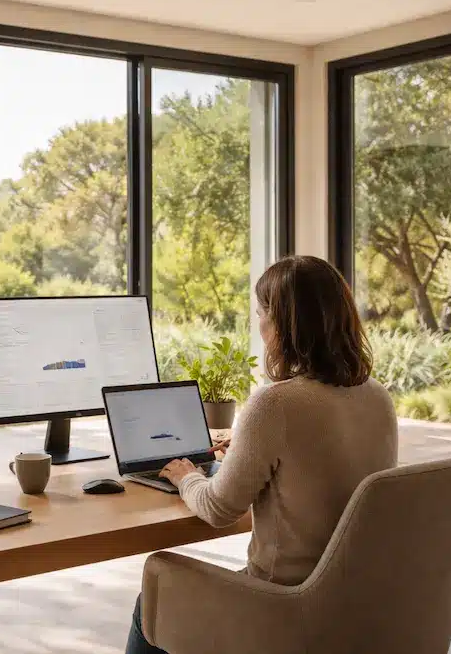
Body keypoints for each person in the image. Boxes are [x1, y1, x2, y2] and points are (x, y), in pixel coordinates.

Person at [126, 255, 398, 654]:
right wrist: (253, 450)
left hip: (283, 607)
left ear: (282, 325)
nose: (260, 324)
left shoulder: (275, 404)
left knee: (152, 597)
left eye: (261, 313)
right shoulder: (378, 396)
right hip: (353, 607)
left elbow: (219, 509)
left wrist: (186, 475)